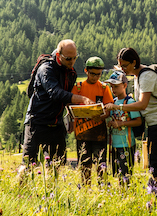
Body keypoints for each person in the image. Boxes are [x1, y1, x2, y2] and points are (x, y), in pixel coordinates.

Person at [104, 47, 157, 200]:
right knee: (154, 163)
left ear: (134, 62)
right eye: (120, 66)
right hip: (156, 123)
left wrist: (119, 107)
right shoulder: (138, 76)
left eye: (125, 66)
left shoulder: (146, 76)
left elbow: (142, 104)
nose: (123, 69)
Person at [21, 39, 92, 168]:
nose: (72, 62)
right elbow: (55, 93)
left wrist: (70, 118)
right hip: (37, 122)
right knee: (28, 164)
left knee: (58, 165)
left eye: (75, 58)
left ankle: (53, 181)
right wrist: (82, 99)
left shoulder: (71, 72)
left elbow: (66, 97)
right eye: (68, 58)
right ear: (59, 55)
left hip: (57, 124)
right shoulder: (46, 69)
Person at [72, 56, 114, 184]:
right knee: (84, 164)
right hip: (82, 132)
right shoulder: (78, 87)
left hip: (99, 133)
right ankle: (86, 188)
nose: (95, 77)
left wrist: (101, 116)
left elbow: (109, 109)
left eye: (98, 74)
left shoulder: (104, 88)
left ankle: (103, 188)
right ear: (86, 71)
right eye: (92, 74)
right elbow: (70, 106)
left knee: (101, 163)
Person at [106, 70, 142, 184]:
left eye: (116, 86)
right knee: (117, 173)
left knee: (126, 174)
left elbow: (138, 121)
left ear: (125, 86)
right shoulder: (113, 101)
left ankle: (126, 191)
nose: (113, 89)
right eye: (111, 87)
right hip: (114, 144)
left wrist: (121, 124)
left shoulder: (129, 102)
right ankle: (121, 191)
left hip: (126, 144)